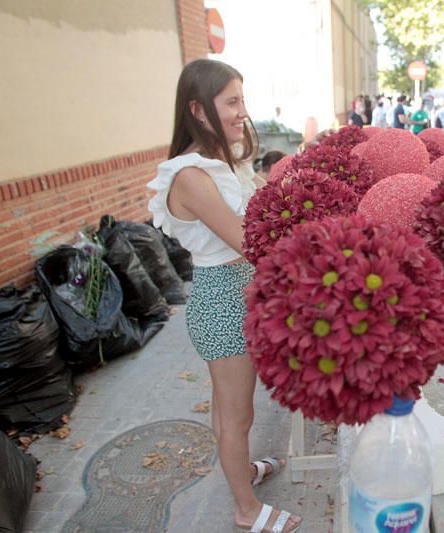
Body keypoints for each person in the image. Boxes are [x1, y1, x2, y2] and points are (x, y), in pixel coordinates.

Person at [147, 59, 301, 533]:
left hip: (242, 293)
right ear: (198, 108)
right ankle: (245, 509)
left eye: (242, 100)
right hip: (221, 301)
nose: (242, 112)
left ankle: (244, 475)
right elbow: (250, 240)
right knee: (236, 415)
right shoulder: (190, 177)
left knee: (231, 410)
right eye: (231, 101)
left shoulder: (224, 162)